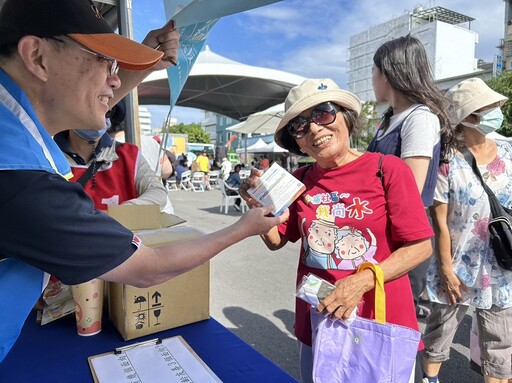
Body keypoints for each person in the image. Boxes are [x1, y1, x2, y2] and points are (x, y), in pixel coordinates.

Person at [0, 0, 287, 363]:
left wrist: (146, 63)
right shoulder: (24, 178)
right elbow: (148, 268)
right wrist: (242, 228)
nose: (116, 79)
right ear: (38, 57)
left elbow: (84, 109)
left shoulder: (16, 135)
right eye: (103, 61)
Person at [239, 78, 433, 383]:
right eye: (299, 126)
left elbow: (421, 247)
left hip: (381, 321)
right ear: (297, 141)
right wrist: (258, 207)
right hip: (320, 320)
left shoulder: (387, 169)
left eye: (323, 113)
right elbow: (277, 240)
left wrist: (359, 283)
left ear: (345, 116)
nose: (314, 129)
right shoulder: (298, 180)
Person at [421, 78, 512, 383]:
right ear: (469, 116)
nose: (498, 110)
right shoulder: (446, 161)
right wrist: (446, 270)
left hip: (502, 265)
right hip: (458, 265)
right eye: (490, 107)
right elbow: (441, 223)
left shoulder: (509, 151)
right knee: (439, 333)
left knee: (500, 344)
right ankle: (429, 379)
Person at [367, 35, 457, 318]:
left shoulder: (419, 118)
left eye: (374, 70)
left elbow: (410, 188)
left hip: (405, 239)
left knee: (394, 325)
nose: (372, 77)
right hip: (383, 232)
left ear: (389, 73)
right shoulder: (390, 119)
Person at [54, 119, 168, 211]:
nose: (97, 115)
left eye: (107, 109)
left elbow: (158, 192)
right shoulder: (46, 155)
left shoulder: (129, 155)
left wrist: (120, 213)